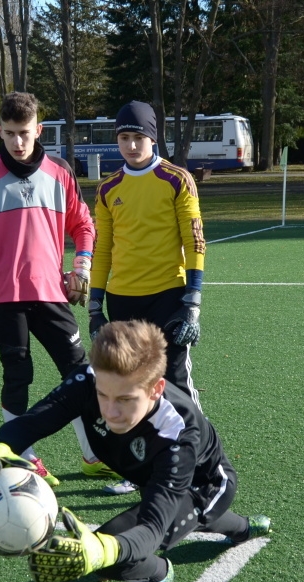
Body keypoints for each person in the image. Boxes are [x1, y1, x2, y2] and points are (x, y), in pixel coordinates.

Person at [0, 320, 271, 582]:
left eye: (125, 400)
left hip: (204, 486)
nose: (110, 411)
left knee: (113, 557)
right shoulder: (88, 380)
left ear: (155, 389)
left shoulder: (178, 432)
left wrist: (102, 551)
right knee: (162, 520)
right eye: (103, 396)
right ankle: (244, 528)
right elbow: (32, 422)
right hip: (155, 480)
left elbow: (151, 526)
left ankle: (158, 574)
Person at [0, 91, 110, 487]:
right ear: (0, 130)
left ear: (39, 130)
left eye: (24, 133)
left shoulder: (61, 171)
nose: (17, 142)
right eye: (9, 133)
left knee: (80, 374)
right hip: (1, 297)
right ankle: (21, 456)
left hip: (51, 294)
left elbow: (84, 225)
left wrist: (81, 264)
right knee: (18, 374)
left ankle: (92, 455)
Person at [88, 101, 208, 495]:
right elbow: (103, 248)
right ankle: (138, 468)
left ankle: (200, 463)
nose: (131, 145)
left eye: (138, 137)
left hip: (168, 297)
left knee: (174, 382)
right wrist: (95, 302)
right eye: (124, 137)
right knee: (128, 387)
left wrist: (192, 301)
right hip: (123, 301)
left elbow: (194, 241)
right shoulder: (108, 189)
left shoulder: (176, 179)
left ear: (152, 138)